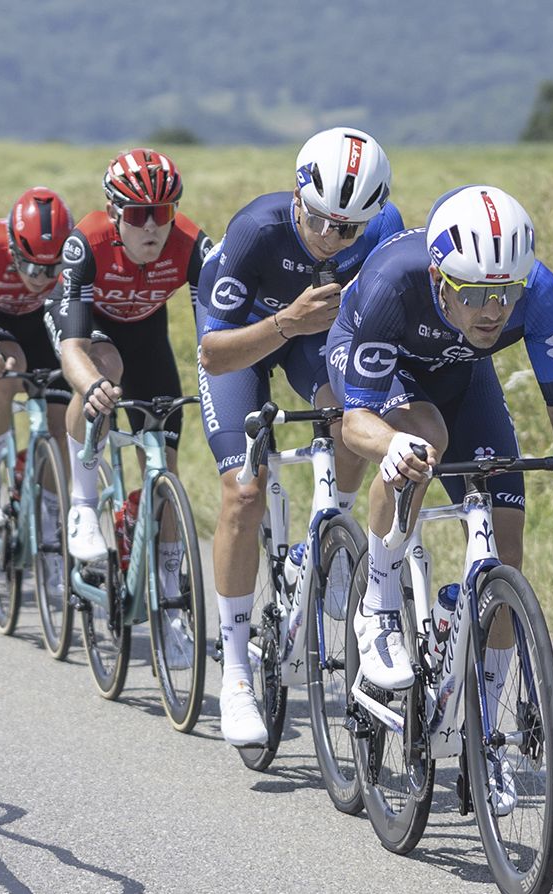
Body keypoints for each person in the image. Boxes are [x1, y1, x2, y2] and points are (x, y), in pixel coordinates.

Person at [327, 186, 553, 725]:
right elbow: (355, 424)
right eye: (476, 294)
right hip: (378, 361)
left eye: (507, 292)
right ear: (440, 279)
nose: (495, 310)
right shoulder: (395, 281)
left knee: (506, 546)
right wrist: (394, 446)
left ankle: (482, 723)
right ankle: (378, 602)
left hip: (462, 370)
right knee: (424, 433)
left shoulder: (539, 290)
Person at [192, 127, 402, 746]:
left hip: (320, 340)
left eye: (349, 230)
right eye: (319, 221)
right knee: (244, 493)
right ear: (297, 194)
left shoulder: (383, 230)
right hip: (248, 340)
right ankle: (233, 676)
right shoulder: (257, 230)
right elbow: (212, 354)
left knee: (352, 420)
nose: (331, 238)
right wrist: (286, 321)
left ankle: (327, 538)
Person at [48, 149, 210, 568]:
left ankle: (170, 583)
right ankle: (83, 505)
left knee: (164, 466)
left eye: (162, 211)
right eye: (138, 215)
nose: (153, 225)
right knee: (105, 368)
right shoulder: (87, 243)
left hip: (145, 332)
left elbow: (213, 338)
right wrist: (91, 386)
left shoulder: (192, 246)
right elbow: (73, 350)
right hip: (89, 326)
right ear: (113, 212)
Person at [0, 187, 72, 549]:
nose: (41, 277)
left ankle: (51, 519)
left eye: (52, 268)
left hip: (41, 322)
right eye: (32, 265)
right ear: (11, 245)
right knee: (8, 368)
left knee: (60, 418)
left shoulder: (74, 256)